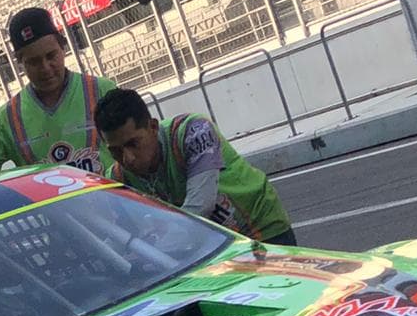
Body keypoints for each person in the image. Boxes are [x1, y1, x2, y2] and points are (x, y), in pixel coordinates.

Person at [93, 88, 296, 246]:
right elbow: (119, 235)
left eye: (133, 144)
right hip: (217, 245)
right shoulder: (118, 177)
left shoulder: (193, 131)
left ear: (153, 127)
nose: (127, 158)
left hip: (261, 230)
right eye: (115, 151)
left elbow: (199, 206)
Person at [0, 7, 116, 184]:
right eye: (34, 62)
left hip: (114, 209)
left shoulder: (101, 91)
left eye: (51, 55)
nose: (45, 67)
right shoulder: (9, 118)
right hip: (55, 215)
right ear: (20, 63)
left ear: (63, 48)